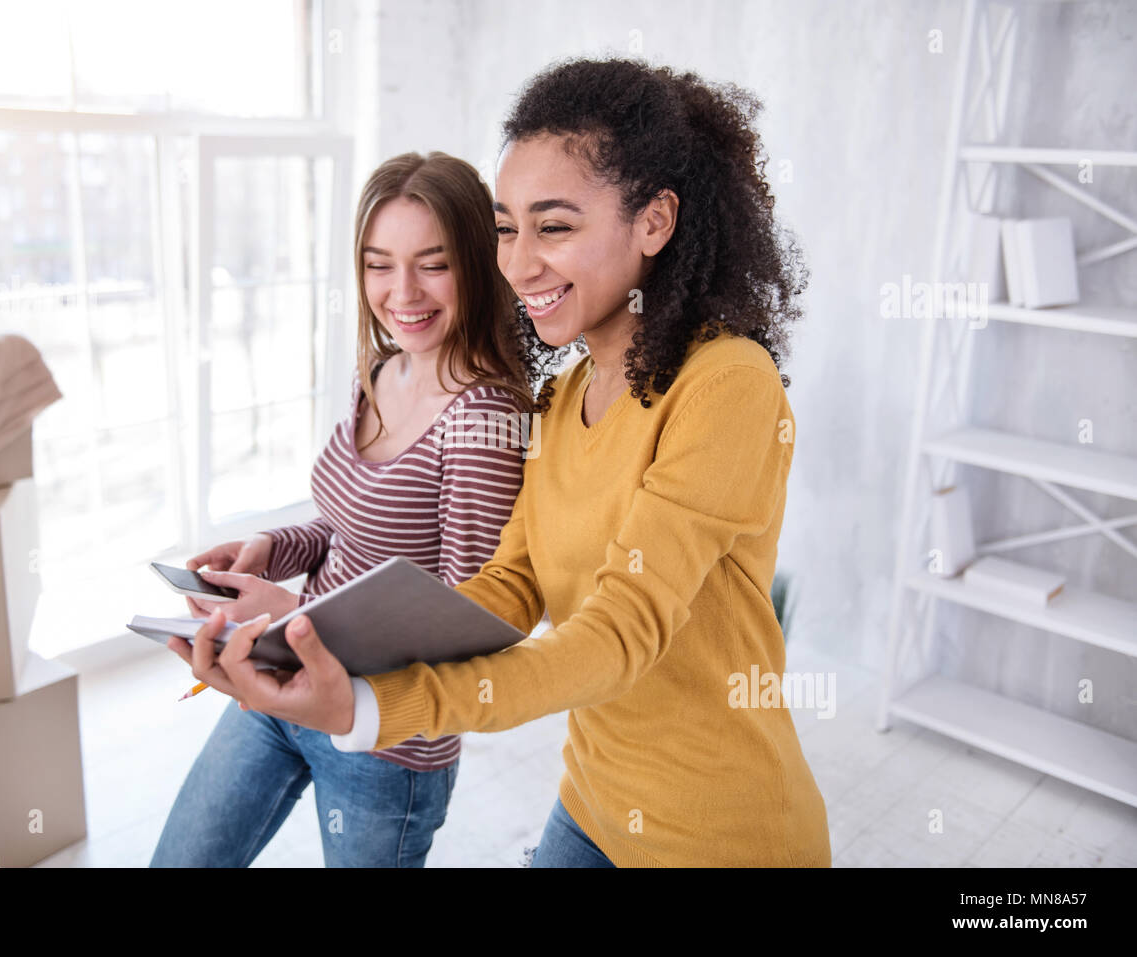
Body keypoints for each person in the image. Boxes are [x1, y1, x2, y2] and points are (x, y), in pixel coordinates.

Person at [174, 58, 833, 867]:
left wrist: (372, 705)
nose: (517, 264)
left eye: (554, 226)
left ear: (655, 222)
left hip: (719, 832)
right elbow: (504, 590)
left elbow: (622, 631)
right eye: (507, 227)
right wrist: (310, 641)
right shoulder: (561, 402)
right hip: (592, 802)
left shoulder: (727, 382)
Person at [150, 151, 535, 867]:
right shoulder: (386, 367)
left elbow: (461, 623)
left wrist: (291, 621)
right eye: (378, 263)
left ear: (480, 265)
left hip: (386, 741)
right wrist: (272, 547)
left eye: (433, 262)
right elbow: (347, 526)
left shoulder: (483, 418)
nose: (402, 291)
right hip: (286, 688)